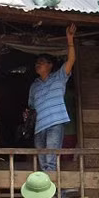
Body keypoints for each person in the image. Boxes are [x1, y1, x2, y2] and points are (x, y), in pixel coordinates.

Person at [27, 24, 77, 172]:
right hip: (39, 127)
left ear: (50, 65)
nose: (37, 65)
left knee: (51, 161)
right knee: (43, 163)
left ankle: (53, 193)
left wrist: (70, 40)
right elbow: (31, 107)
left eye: (41, 62)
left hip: (55, 123)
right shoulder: (34, 86)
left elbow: (71, 60)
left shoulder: (59, 77)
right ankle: (50, 192)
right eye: (37, 63)